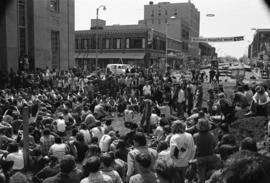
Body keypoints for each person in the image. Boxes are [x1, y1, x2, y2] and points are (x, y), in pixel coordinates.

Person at [193, 119, 220, 183]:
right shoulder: (211, 135)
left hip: (200, 158)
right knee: (213, 174)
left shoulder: (195, 136)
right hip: (211, 157)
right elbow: (215, 145)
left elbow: (193, 148)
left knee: (201, 178)